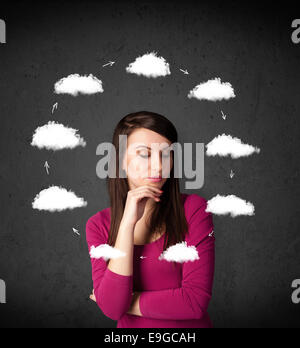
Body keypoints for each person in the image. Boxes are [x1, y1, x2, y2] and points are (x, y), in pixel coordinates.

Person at [86, 110, 215, 328]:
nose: (158, 166)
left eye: (165, 154)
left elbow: (194, 302)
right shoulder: (98, 226)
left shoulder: (194, 209)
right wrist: (127, 224)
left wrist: (126, 302)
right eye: (144, 154)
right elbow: (111, 310)